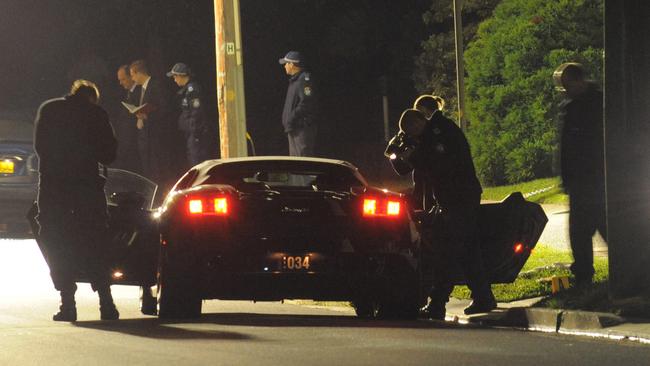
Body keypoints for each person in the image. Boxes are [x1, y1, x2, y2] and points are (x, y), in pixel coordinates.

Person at [387, 108, 496, 320]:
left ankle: (438, 303)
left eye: (412, 131)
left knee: (447, 252)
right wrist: (394, 153)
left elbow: (437, 163)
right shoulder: (428, 137)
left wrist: (413, 154)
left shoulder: (441, 132)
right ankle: (483, 296)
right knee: (467, 250)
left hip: (460, 198)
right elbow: (403, 168)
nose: (413, 137)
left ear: (419, 122)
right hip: (454, 199)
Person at [34, 80, 119, 321]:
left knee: (57, 242)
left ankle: (68, 305)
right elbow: (109, 153)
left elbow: (40, 147)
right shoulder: (96, 114)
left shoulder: (48, 109)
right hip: (87, 189)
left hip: (54, 188)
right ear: (92, 98)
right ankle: (107, 303)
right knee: (95, 241)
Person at [553, 62, 606, 287]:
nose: (564, 90)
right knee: (581, 232)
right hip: (580, 180)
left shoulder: (597, 103)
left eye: (566, 85)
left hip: (595, 178)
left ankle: (588, 275)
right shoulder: (572, 106)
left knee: (598, 227)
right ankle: (584, 275)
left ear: (578, 80)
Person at [129, 59, 173, 187]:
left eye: (132, 75)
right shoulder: (141, 89)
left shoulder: (155, 85)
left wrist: (148, 115)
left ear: (139, 73)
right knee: (148, 169)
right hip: (146, 136)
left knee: (157, 169)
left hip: (156, 136)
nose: (132, 79)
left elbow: (164, 108)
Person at [167, 62, 210, 168]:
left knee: (197, 163)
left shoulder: (192, 90)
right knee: (192, 161)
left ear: (181, 75)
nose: (174, 80)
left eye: (175, 76)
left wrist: (193, 131)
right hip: (190, 134)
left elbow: (197, 112)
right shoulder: (185, 90)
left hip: (196, 135)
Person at [279, 51, 317, 156]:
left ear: (292, 64)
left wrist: (291, 117)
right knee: (295, 163)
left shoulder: (304, 79)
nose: (285, 66)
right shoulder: (295, 80)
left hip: (301, 129)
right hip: (294, 128)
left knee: (303, 162)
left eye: (286, 63)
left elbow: (306, 102)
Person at [114, 65, 142, 173]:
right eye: (119, 80)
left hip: (134, 141)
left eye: (123, 79)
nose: (121, 83)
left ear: (131, 76)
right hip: (126, 140)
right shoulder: (128, 93)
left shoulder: (139, 92)